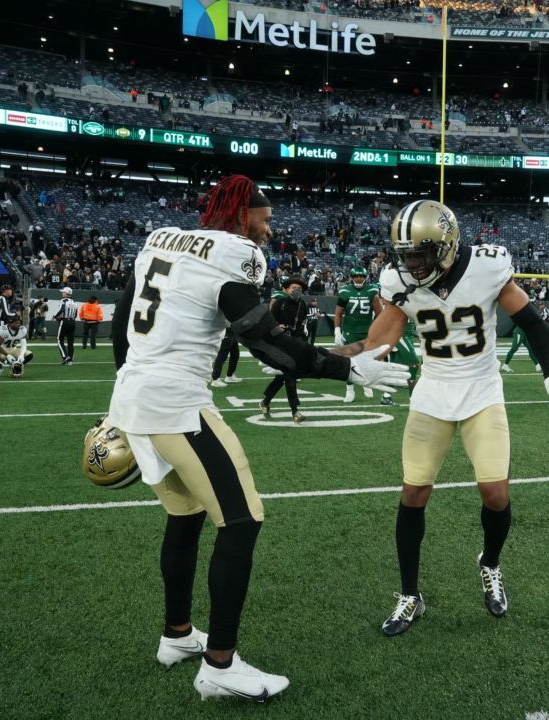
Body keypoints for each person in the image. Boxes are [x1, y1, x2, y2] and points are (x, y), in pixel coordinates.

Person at [99, 175, 406, 700]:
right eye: (264, 219)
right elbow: (266, 342)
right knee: (241, 522)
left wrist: (125, 396)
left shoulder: (160, 240)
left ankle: (177, 635)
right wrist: (347, 372)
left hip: (135, 395)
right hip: (177, 405)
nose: (269, 229)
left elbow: (124, 321)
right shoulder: (233, 254)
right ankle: (220, 666)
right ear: (242, 215)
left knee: (184, 514)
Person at [332, 198, 549, 637]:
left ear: (445, 245)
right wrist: (324, 358)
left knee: (495, 493)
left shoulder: (487, 265)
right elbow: (377, 340)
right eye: (404, 254)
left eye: (419, 254)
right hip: (433, 393)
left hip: (482, 391)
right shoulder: (398, 281)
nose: (411, 263)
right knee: (413, 494)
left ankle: (490, 562)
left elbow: (532, 322)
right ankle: (410, 594)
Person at [259, 276, 310, 423]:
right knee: (290, 374)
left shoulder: (303, 304)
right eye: (293, 288)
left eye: (299, 288)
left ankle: (266, 400)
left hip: (297, 342)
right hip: (281, 342)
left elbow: (301, 324)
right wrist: (277, 327)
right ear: (286, 289)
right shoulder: (279, 303)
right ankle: (295, 411)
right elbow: (268, 322)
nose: (296, 291)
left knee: (284, 375)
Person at [334, 266, 383, 403]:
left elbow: (380, 314)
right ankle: (350, 390)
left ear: (365, 277)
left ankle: (366, 383)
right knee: (349, 361)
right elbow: (338, 313)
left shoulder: (372, 291)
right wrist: (337, 331)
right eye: (356, 276)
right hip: (350, 330)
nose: (358, 278)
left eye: (361, 276)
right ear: (352, 277)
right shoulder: (345, 292)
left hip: (367, 330)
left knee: (367, 360)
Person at [53, 286, 79, 365]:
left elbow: (61, 310)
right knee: (70, 342)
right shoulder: (74, 303)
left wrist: (55, 316)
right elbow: (75, 315)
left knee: (59, 339)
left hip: (65, 322)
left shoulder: (63, 301)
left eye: (63, 292)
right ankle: (70, 361)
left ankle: (65, 356)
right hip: (73, 322)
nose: (62, 293)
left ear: (67, 293)